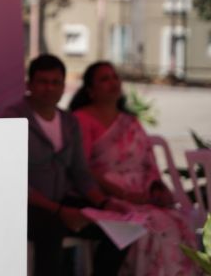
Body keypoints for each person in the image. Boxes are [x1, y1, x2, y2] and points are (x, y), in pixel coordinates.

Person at [4, 54, 129, 276]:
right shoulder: (12, 119)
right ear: (29, 85)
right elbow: (13, 181)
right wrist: (60, 211)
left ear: (64, 86)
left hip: (62, 203)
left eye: (56, 82)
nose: (49, 88)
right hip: (24, 208)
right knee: (52, 229)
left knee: (120, 227)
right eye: (43, 82)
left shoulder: (69, 122)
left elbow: (80, 172)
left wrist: (104, 202)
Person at [69, 61, 198, 276]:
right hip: (108, 196)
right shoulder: (82, 119)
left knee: (178, 221)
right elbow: (83, 167)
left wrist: (156, 189)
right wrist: (123, 194)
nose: (113, 83)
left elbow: (149, 161)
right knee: (151, 225)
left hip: (142, 194)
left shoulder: (130, 121)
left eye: (115, 77)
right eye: (104, 79)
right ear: (90, 90)